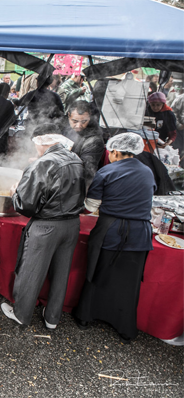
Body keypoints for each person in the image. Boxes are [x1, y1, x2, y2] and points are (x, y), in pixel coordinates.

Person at [73, 133, 155, 343]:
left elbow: (91, 207)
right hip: (140, 234)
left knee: (97, 274)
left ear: (115, 152)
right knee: (129, 282)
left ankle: (85, 317)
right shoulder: (147, 172)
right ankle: (125, 329)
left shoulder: (107, 171)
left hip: (110, 230)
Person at [1, 124, 85, 329]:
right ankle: (52, 318)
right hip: (72, 224)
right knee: (61, 272)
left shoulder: (43, 163)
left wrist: (14, 193)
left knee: (31, 272)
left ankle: (21, 314)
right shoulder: (76, 159)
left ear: (42, 141)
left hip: (46, 227)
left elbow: (26, 205)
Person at [63, 101, 105, 189]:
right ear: (69, 115)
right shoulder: (66, 128)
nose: (79, 125)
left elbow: (87, 172)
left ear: (89, 116)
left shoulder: (94, 140)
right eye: (74, 121)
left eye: (84, 121)